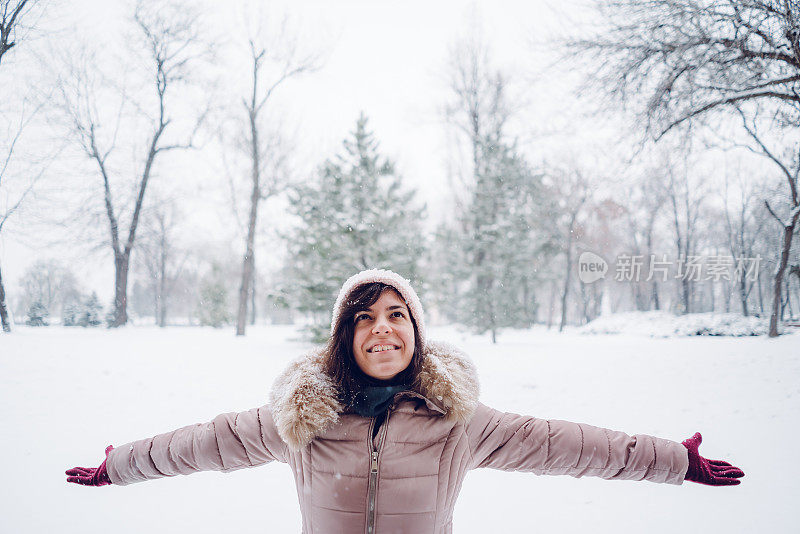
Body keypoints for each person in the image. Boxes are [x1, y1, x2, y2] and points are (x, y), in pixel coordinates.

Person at [66, 269, 745, 533]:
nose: (381, 327)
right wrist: (120, 464)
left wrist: (671, 461)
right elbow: (203, 443)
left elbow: (567, 444)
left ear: (416, 332)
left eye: (396, 314)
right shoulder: (302, 419)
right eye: (363, 317)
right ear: (344, 336)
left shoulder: (460, 425)